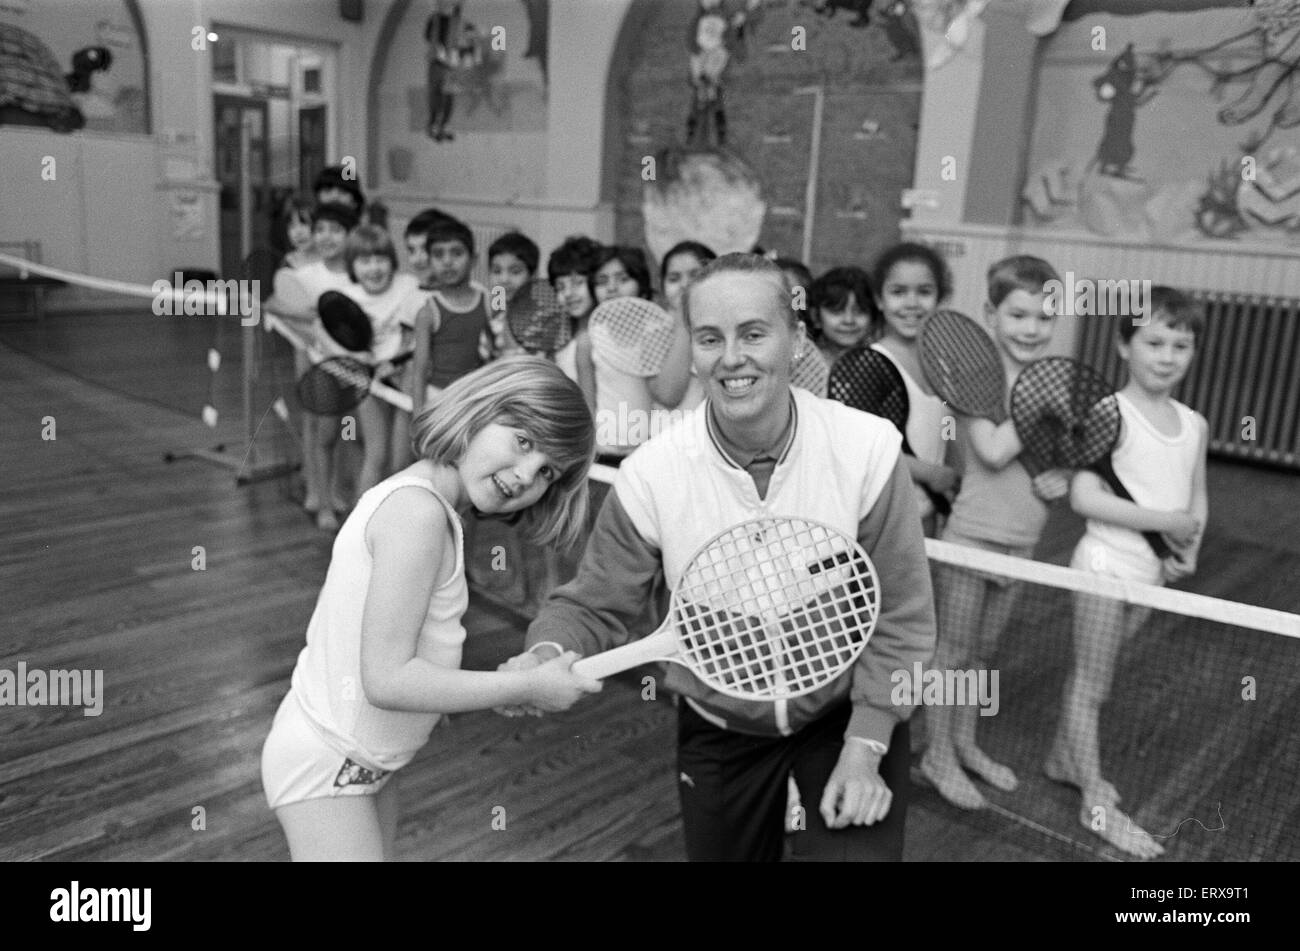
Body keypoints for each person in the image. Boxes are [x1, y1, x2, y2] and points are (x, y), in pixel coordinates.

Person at [498, 253, 937, 862]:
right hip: (718, 727)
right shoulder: (652, 474)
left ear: (795, 340)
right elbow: (593, 603)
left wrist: (867, 746)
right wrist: (544, 652)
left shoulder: (867, 450)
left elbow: (903, 617)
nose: (732, 357)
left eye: (754, 333)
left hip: (843, 719)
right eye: (710, 338)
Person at [261, 357, 603, 861]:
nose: (527, 474)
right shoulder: (418, 514)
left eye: (548, 470)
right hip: (328, 762)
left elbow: (403, 647)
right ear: (478, 411)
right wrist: (525, 685)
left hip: (362, 763)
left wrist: (464, 691)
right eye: (524, 441)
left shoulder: (436, 509)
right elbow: (388, 680)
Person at [1046, 288, 1207, 859]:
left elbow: (1197, 495)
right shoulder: (1108, 413)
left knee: (1101, 678)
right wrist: (1166, 520)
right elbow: (1084, 496)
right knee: (1092, 683)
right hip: (1103, 565)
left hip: (1151, 572)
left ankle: (1064, 759)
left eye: (1180, 345)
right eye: (1154, 342)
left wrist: (1190, 543)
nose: (1167, 356)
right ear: (1123, 345)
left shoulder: (1194, 423)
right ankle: (1095, 800)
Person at [919, 255, 1072, 809]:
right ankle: (936, 755)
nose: (1032, 329)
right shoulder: (976, 377)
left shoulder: (1044, 380)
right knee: (951, 654)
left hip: (1022, 541)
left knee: (982, 655)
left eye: (1044, 318)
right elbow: (990, 449)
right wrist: (1039, 411)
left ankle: (965, 744)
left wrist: (1062, 475)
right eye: (1019, 315)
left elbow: (1050, 459)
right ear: (991, 312)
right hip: (974, 538)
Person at [869, 242, 961, 536]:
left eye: (924, 292)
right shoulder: (873, 364)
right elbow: (866, 449)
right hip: (888, 520)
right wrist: (932, 474)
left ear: (940, 298)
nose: (911, 303)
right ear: (879, 299)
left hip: (933, 513)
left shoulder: (943, 364)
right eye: (898, 292)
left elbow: (945, 429)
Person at [339, 225, 421, 495]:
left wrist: (401, 362)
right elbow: (331, 337)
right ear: (352, 265)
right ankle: (359, 526)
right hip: (369, 383)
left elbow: (417, 333)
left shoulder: (408, 285)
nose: (374, 268)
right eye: (364, 261)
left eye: (380, 259)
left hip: (405, 382)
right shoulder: (346, 297)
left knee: (401, 462)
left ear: (392, 262)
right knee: (376, 455)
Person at [407, 215, 492, 421]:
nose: (447, 262)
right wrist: (419, 419)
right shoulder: (427, 312)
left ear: (474, 259)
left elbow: (495, 350)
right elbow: (419, 373)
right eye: (438, 254)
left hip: (476, 398)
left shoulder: (487, 301)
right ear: (429, 261)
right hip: (439, 398)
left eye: (456, 253)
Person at [657, 240, 717, 414]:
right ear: (662, 288)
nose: (684, 285)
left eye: (695, 275)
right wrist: (684, 322)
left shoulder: (730, 329)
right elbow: (668, 396)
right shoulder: (652, 332)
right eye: (674, 279)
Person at [546, 235, 602, 407]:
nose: (568, 293)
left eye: (578, 283)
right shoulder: (559, 340)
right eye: (560, 287)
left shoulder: (605, 336)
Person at [485, 231, 540, 359]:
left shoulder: (542, 318)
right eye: (497, 271)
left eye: (515, 272)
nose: (504, 279)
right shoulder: (495, 316)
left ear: (533, 275)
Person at [809, 266, 876, 365]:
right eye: (837, 311)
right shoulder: (802, 362)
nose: (848, 320)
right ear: (815, 317)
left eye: (860, 311)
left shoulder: (879, 362)